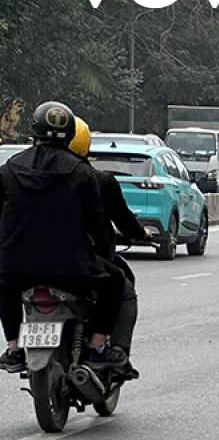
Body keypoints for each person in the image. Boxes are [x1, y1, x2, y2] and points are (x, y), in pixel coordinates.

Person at [0, 101, 125, 374]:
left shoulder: (9, 169)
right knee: (115, 282)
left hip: (17, 268)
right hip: (73, 269)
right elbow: (97, 224)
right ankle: (96, 346)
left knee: (4, 285)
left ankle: (12, 347)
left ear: (34, 131)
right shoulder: (82, 173)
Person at [70, 119, 149, 366]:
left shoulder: (22, 175)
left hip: (27, 262)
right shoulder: (97, 181)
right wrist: (139, 234)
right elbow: (121, 221)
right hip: (86, 262)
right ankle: (109, 347)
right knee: (121, 288)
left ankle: (15, 346)